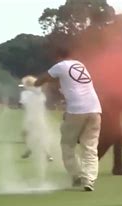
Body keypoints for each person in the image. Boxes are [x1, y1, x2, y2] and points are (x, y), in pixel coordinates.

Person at [35, 47, 102, 191]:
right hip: (95, 109)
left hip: (77, 110)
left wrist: (33, 85)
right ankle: (89, 179)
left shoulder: (61, 65)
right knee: (90, 147)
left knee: (67, 144)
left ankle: (76, 175)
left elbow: (42, 79)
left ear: (58, 56)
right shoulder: (80, 65)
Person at [19, 76, 53, 162]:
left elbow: (23, 104)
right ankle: (47, 154)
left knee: (28, 135)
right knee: (37, 136)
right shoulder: (40, 93)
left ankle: (31, 149)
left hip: (31, 119)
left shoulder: (26, 93)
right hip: (39, 119)